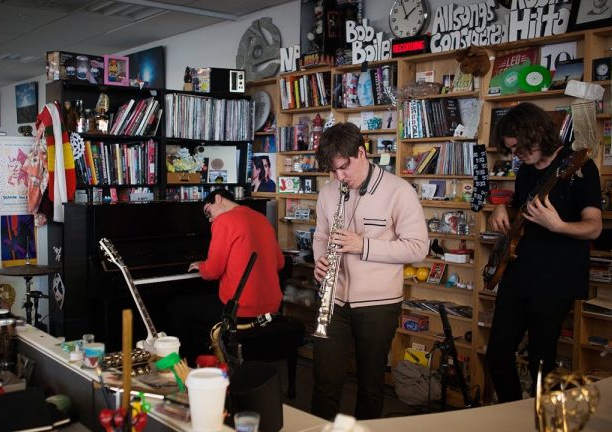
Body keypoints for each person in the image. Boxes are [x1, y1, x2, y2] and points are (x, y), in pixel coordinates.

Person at [311, 122, 428, 420]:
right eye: (333, 171)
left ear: (361, 152)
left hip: (379, 304)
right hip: (333, 300)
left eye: (344, 168)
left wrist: (362, 246)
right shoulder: (328, 192)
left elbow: (417, 248)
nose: (339, 177)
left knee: (371, 385)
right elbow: (321, 235)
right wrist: (320, 261)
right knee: (324, 382)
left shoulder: (399, 191)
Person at [486, 102, 602, 402]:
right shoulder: (526, 170)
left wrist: (559, 225)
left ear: (536, 133)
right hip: (518, 272)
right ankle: (513, 414)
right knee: (497, 354)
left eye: (519, 148)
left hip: (555, 279)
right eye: (512, 150)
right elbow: (522, 208)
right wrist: (502, 208)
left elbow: (594, 227)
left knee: (542, 362)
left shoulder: (581, 168)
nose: (517, 155)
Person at [169, 189, 284, 365]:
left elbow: (212, 271)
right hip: (271, 308)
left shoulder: (224, 220)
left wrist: (202, 265)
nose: (210, 219)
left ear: (218, 198)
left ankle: (190, 368)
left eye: (209, 211)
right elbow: (280, 263)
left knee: (177, 307)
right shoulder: (261, 218)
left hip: (241, 310)